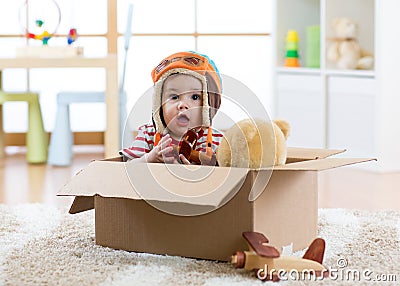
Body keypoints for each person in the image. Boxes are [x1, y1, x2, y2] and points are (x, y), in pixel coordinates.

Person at [120, 51, 223, 164]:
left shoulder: (217, 141)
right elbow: (128, 168)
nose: (183, 105)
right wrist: (149, 158)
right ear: (159, 104)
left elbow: (228, 174)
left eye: (194, 97)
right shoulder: (148, 135)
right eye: (174, 97)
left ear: (209, 106)